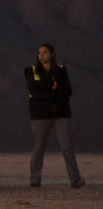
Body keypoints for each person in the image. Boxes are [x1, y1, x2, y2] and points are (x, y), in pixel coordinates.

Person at [26, 43, 84, 189]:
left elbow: (67, 91)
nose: (41, 55)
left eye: (44, 52)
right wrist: (53, 92)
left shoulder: (61, 72)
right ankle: (34, 180)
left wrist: (56, 92)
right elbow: (36, 93)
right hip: (40, 115)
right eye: (39, 53)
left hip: (61, 114)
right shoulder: (31, 71)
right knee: (38, 148)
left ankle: (75, 179)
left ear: (52, 54)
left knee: (67, 147)